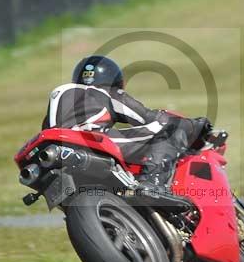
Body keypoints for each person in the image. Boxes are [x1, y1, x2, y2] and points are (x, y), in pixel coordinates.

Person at [42, 55, 211, 198]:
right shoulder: (105, 92)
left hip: (53, 154)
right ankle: (153, 183)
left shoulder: (60, 94)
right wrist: (194, 125)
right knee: (170, 129)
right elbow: (149, 118)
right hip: (90, 142)